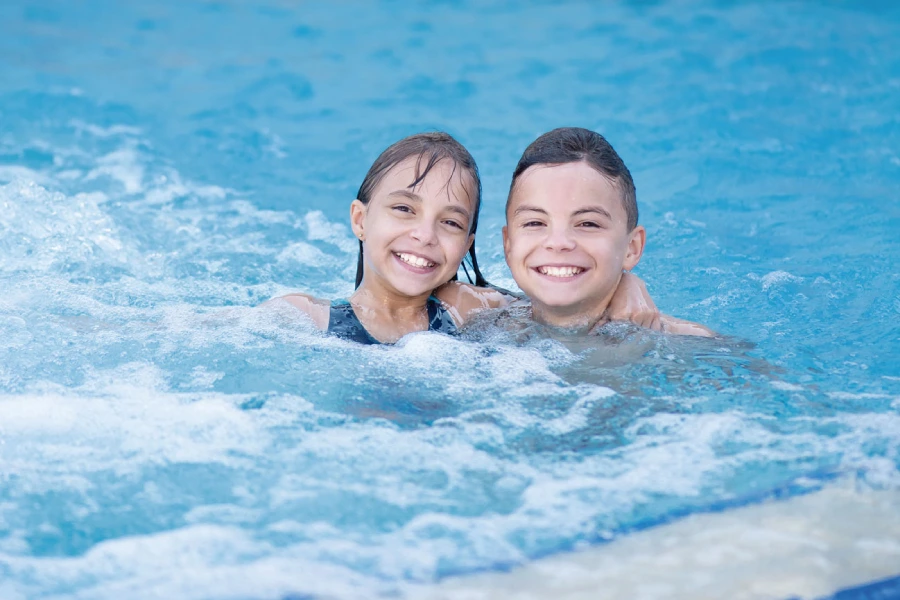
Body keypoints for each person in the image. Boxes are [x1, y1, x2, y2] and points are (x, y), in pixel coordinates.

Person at [266, 131, 658, 344]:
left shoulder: (465, 309)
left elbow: (557, 303)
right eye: (404, 209)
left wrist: (622, 282)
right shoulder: (306, 318)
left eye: (451, 222)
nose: (424, 235)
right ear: (360, 219)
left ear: (467, 245)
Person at [502, 127, 714, 337]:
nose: (558, 242)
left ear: (631, 249)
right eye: (534, 223)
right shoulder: (481, 318)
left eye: (588, 224)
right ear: (508, 245)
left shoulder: (693, 345)